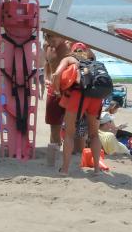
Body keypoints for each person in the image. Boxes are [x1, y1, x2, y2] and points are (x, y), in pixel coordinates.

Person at [53, 43, 107, 175]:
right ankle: (96, 169)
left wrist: (57, 91)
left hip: (78, 96)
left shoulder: (69, 59)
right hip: (96, 96)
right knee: (94, 134)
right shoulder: (93, 62)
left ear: (72, 51)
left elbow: (57, 74)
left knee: (69, 134)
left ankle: (65, 169)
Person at [42, 31, 70, 164]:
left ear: (61, 34)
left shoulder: (70, 47)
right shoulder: (47, 46)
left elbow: (90, 57)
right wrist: (46, 78)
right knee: (54, 124)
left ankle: (76, 155)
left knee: (74, 125)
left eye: (51, 36)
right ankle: (55, 154)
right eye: (46, 36)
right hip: (53, 89)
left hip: (69, 90)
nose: (48, 39)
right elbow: (47, 64)